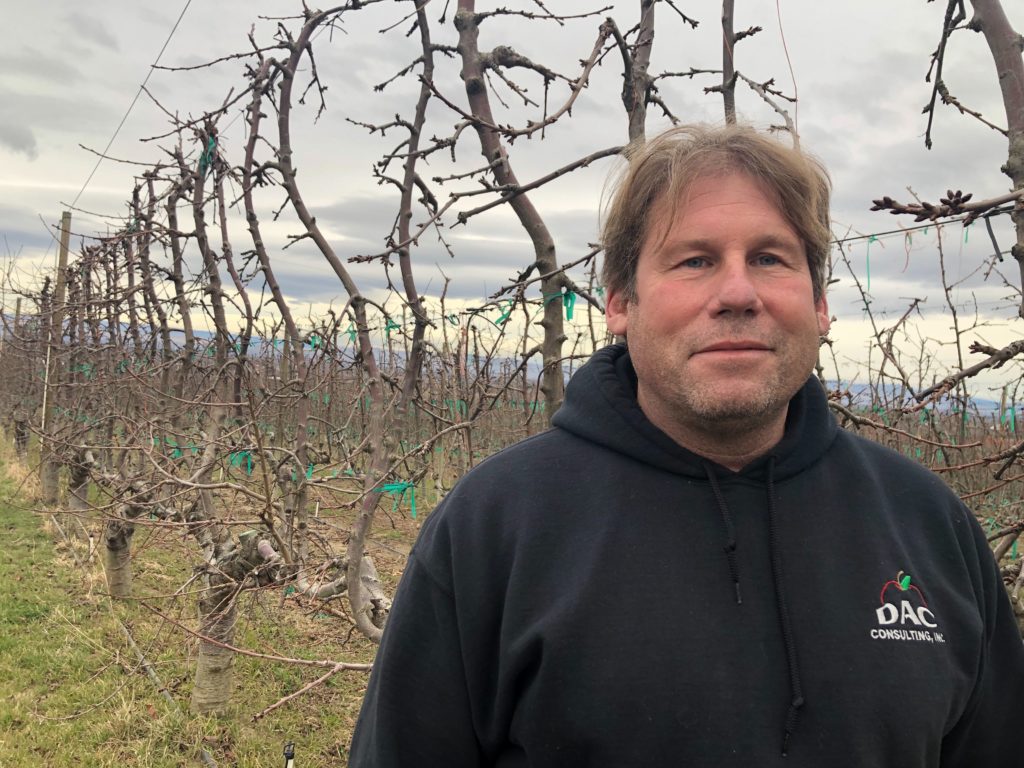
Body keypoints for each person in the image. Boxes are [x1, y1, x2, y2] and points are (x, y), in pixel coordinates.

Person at [348, 124, 1024, 767]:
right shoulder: (494, 528)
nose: (737, 293)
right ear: (620, 302)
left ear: (820, 305)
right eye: (695, 260)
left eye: (769, 258)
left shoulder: (929, 526)